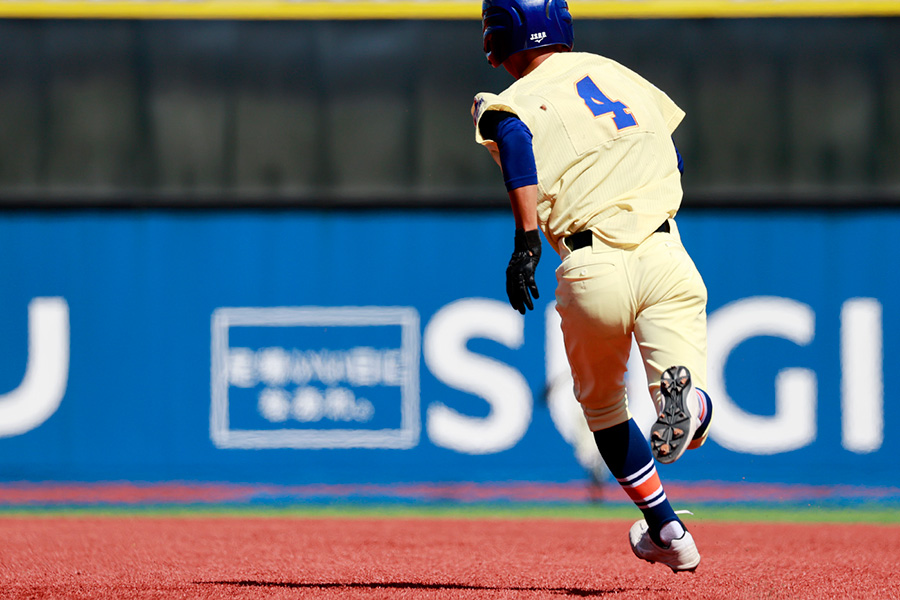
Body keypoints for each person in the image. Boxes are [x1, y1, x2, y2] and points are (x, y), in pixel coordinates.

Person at [471, 0, 715, 572]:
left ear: (499, 35)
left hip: (590, 267)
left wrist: (527, 240)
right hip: (664, 250)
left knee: (605, 410)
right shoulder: (616, 73)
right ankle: (693, 406)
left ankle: (669, 530)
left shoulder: (508, 102)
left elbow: (513, 140)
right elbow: (671, 155)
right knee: (680, 397)